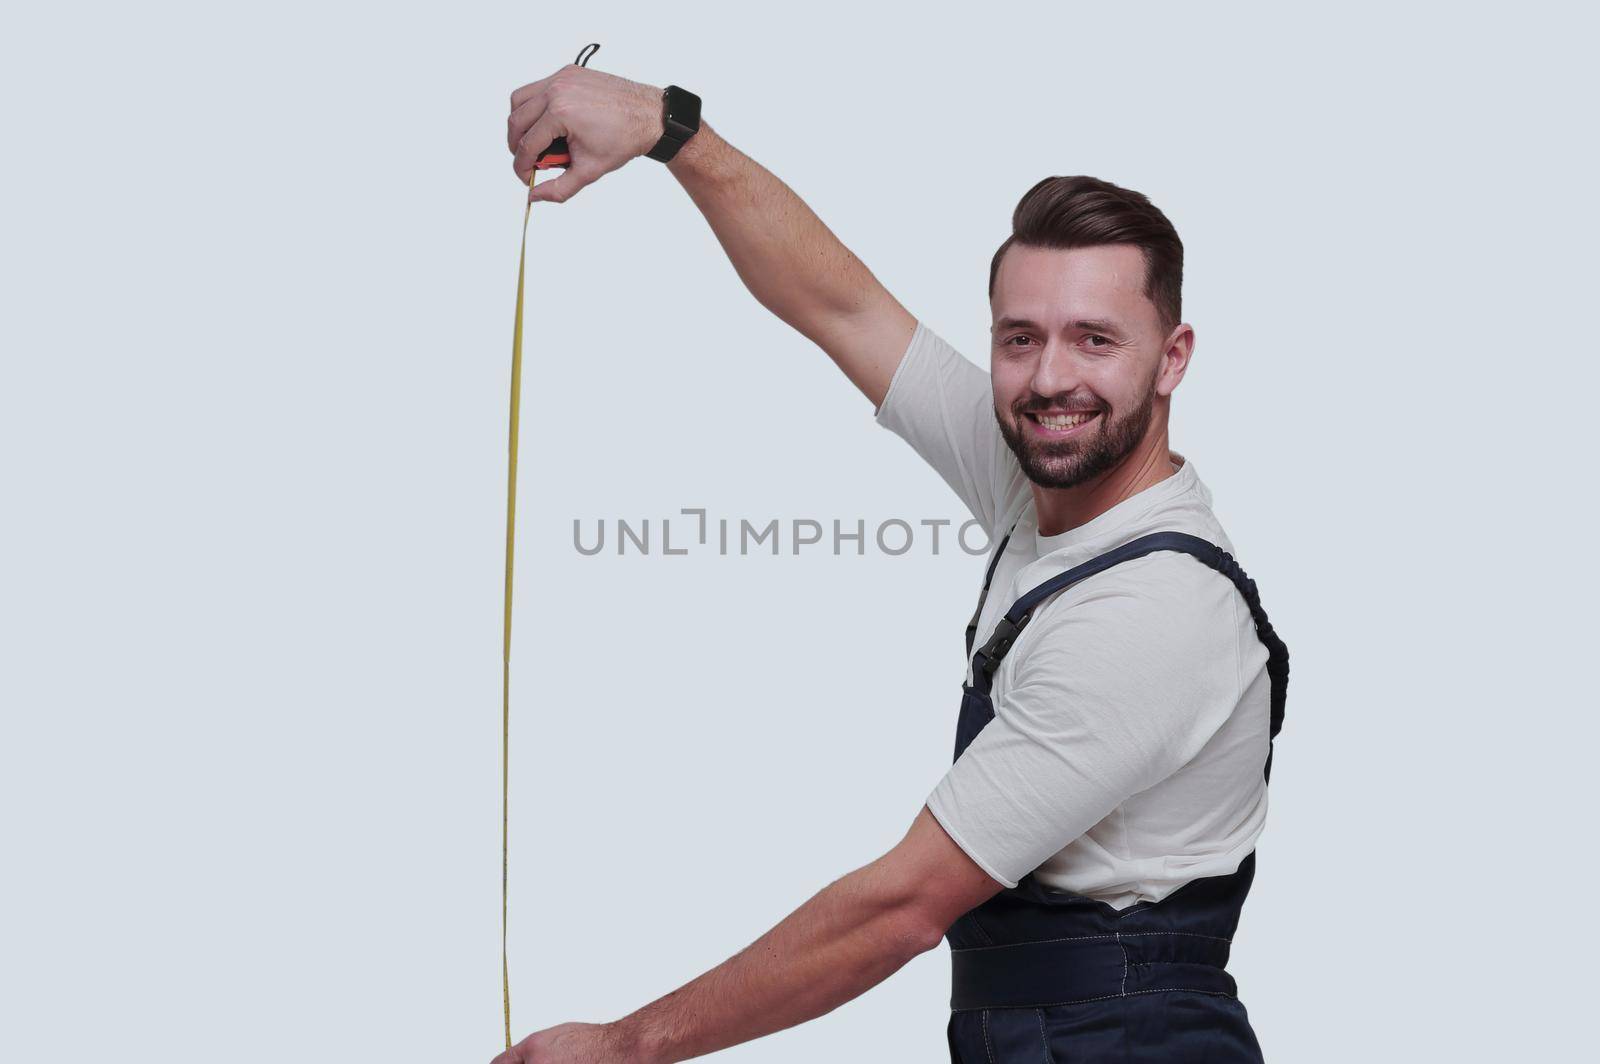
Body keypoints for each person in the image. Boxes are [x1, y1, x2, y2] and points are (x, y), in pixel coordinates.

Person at [496, 61, 1290, 1064]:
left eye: (1095, 340)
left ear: (1171, 357)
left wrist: (628, 1043)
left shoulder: (1152, 609)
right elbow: (840, 305)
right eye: (1019, 338)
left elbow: (902, 906)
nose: (1050, 378)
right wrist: (672, 132)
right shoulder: (1038, 478)